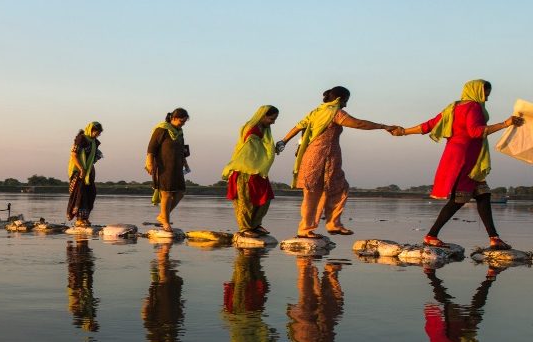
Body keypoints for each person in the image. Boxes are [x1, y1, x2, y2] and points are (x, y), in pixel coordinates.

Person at [393, 79, 524, 249]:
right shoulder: (474, 107)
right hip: (466, 158)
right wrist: (505, 124)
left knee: (483, 195)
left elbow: (428, 126)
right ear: (476, 92)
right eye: (485, 94)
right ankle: (431, 235)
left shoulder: (452, 108)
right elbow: (475, 132)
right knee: (459, 199)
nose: (487, 98)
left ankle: (494, 238)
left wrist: (403, 132)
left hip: (455, 156)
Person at [278, 86, 398, 238]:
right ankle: (321, 226)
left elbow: (298, 126)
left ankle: (317, 227)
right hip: (324, 155)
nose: (346, 105)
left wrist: (284, 141)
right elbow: (358, 123)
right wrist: (383, 126)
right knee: (331, 189)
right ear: (339, 99)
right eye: (346, 101)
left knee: (318, 191)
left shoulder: (317, 111)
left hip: (312, 156)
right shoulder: (335, 112)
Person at [222, 105, 278, 237]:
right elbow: (248, 150)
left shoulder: (263, 130)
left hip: (258, 169)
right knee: (245, 200)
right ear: (262, 116)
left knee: (265, 197)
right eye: (271, 119)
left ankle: (255, 225)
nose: (273, 122)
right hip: (245, 169)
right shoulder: (250, 128)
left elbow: (261, 149)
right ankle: (245, 228)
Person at [145, 108, 191, 232]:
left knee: (180, 192)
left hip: (176, 166)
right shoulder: (162, 129)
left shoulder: (179, 132)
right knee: (166, 193)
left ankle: (162, 216)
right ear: (174, 118)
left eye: (185, 122)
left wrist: (185, 163)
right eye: (182, 121)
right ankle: (165, 221)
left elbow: (182, 150)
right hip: (163, 166)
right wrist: (149, 163)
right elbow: (151, 147)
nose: (183, 124)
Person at [66, 122, 103, 227]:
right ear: (91, 130)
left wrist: (90, 169)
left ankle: (85, 218)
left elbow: (94, 157)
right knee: (80, 194)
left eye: (99, 133)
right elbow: (74, 155)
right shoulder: (81, 139)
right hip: (78, 170)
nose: (98, 135)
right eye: (97, 132)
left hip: (88, 171)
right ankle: (79, 219)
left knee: (91, 193)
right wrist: (81, 168)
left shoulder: (94, 142)